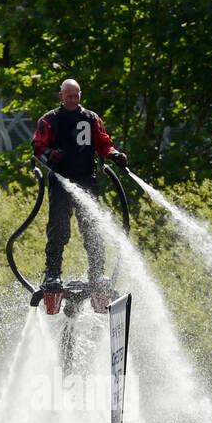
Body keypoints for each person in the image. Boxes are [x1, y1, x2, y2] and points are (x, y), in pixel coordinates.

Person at [31, 78, 128, 287]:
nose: (73, 100)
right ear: (61, 96)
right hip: (60, 181)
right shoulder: (49, 120)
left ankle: (96, 274)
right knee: (58, 228)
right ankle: (52, 274)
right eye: (69, 96)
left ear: (80, 95)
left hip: (86, 181)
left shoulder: (91, 118)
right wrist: (50, 154)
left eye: (77, 96)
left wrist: (115, 155)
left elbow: (104, 144)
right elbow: (38, 147)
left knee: (92, 227)